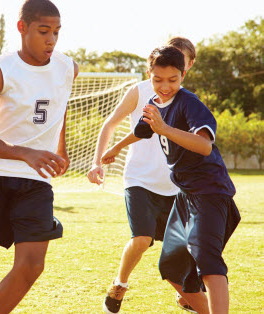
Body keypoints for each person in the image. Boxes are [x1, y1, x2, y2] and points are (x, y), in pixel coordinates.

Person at [102, 46, 241, 314]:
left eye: (172, 80)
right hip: (185, 195)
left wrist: (165, 129)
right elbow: (142, 131)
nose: (165, 86)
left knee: (207, 259)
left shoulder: (189, 103)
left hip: (210, 192)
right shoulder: (153, 104)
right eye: (158, 79)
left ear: (183, 76)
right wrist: (116, 147)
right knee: (172, 267)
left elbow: (204, 146)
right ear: (149, 75)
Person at [88, 38, 196, 314]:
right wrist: (97, 161)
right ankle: (119, 285)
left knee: (182, 248)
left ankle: (188, 294)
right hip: (139, 181)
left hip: (175, 187)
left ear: (187, 68)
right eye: (163, 69)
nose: (168, 77)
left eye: (178, 67)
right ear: (153, 69)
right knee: (142, 238)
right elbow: (110, 124)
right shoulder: (140, 92)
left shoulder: (188, 100)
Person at [0, 0, 78, 312]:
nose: (51, 39)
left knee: (31, 266)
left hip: (34, 183)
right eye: (44, 31)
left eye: (56, 32)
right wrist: (24, 153)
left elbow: (62, 104)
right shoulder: (1, 69)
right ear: (22, 28)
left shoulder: (68, 68)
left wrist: (61, 148)